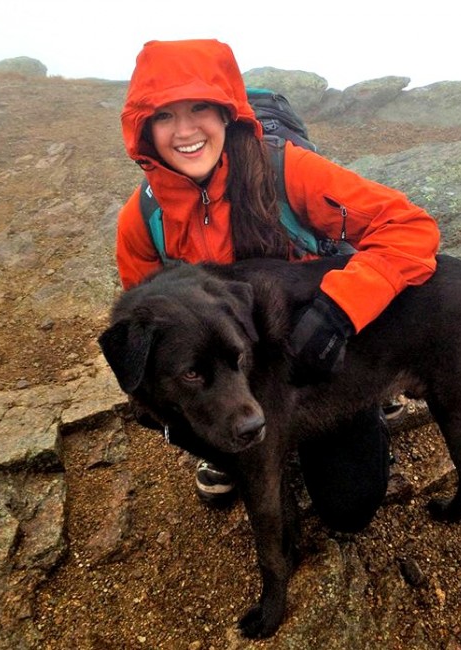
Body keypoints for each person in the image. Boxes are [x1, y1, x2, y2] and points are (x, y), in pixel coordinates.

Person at [115, 39, 440, 533]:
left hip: (315, 350)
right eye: (164, 115)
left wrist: (340, 311)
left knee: (348, 509)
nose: (184, 130)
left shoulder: (289, 171)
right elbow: (147, 327)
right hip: (232, 372)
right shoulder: (142, 217)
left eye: (200, 107)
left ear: (227, 114)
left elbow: (410, 228)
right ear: (144, 130)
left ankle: (367, 402)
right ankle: (229, 438)